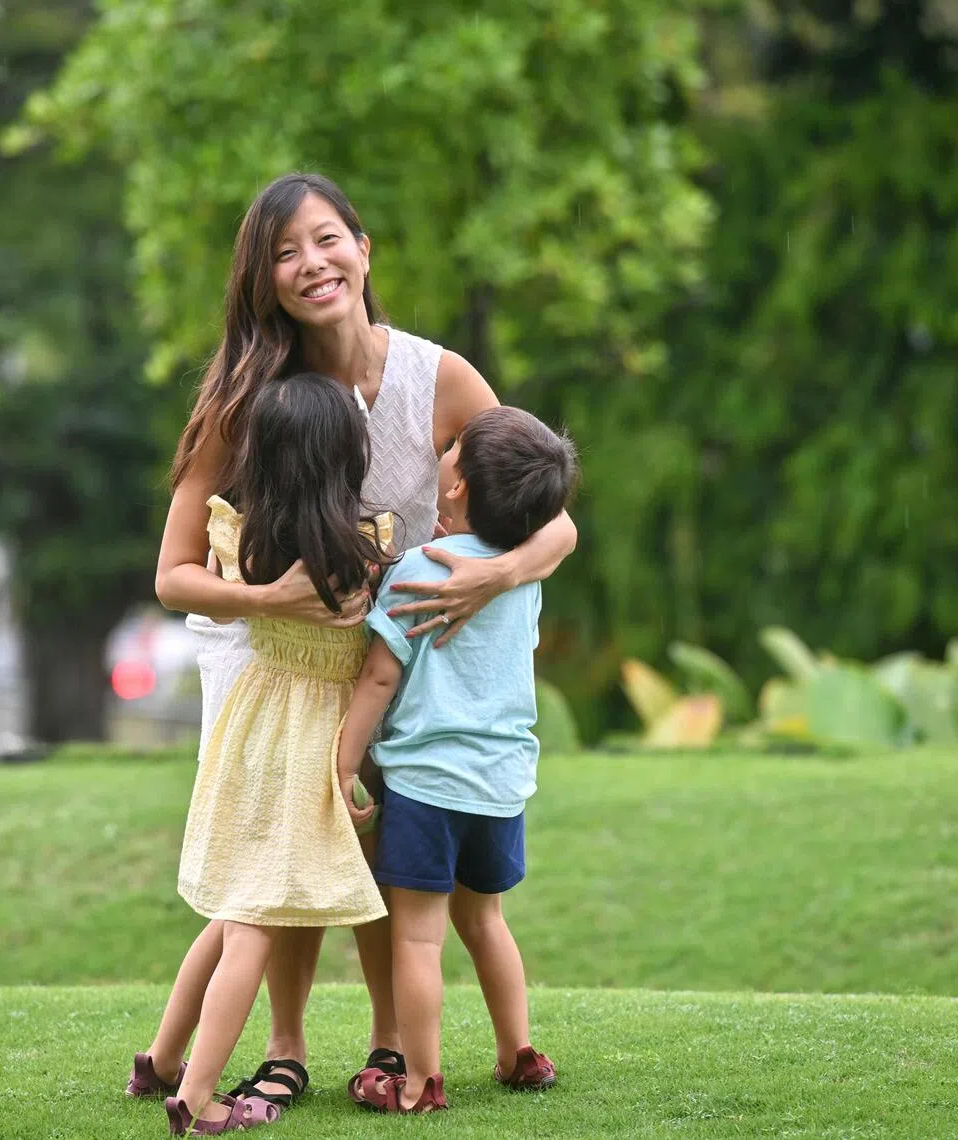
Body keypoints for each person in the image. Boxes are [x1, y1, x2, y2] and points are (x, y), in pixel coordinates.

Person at [155, 171, 578, 1106]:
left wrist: (492, 574)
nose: (311, 264)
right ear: (262, 281)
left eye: (326, 239)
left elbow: (550, 519)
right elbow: (175, 573)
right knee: (296, 838)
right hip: (271, 648)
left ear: (364, 247)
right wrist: (274, 601)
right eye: (284, 253)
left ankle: (389, 1045)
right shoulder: (250, 398)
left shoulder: (444, 379)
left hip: (401, 639)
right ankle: (285, 1043)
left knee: (385, 827)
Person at [127, 372, 394, 1135]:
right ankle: (197, 1097)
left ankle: (161, 1060)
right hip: (309, 742)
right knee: (253, 923)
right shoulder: (364, 549)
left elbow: (188, 577)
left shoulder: (237, 538)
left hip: (248, 730)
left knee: (231, 910)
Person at [336, 406, 579, 1114]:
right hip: (500, 787)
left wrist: (342, 765)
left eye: (451, 452)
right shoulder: (521, 578)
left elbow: (379, 678)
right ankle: (518, 1054)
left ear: (458, 488)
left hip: (426, 787)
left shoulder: (418, 568)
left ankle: (418, 1081)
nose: (440, 456)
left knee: (417, 935)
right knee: (487, 922)